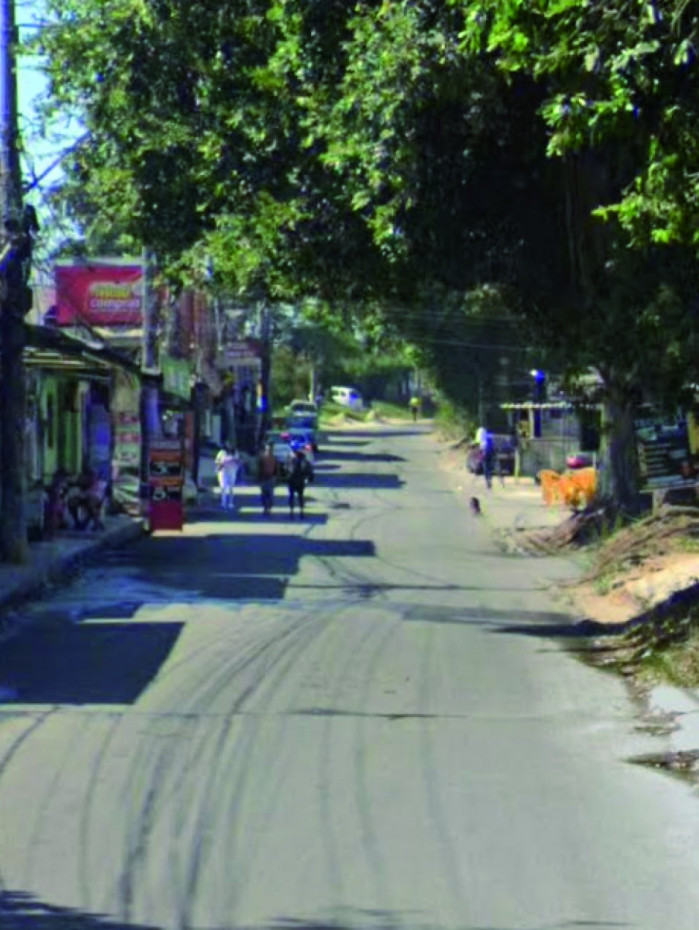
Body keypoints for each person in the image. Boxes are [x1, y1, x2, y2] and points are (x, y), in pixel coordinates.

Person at [287, 449, 314, 519]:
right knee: (300, 497)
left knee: (291, 496)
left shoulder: (292, 461)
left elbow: (286, 469)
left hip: (292, 481)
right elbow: (310, 472)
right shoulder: (305, 463)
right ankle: (301, 512)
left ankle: (291, 512)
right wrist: (310, 479)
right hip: (300, 481)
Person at [215, 442, 240, 510]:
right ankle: (223, 502)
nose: (229, 447)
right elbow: (217, 461)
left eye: (231, 445)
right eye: (228, 445)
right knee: (223, 487)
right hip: (223, 472)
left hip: (232, 471)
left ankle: (231, 503)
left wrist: (233, 460)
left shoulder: (235, 453)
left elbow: (238, 461)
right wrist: (221, 463)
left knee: (231, 488)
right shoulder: (222, 453)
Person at [258, 442, 278, 515]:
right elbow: (259, 468)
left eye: (270, 449)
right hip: (264, 477)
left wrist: (276, 478)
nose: (269, 450)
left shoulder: (274, 458)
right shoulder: (262, 458)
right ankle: (265, 508)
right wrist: (259, 478)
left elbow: (276, 469)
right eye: (268, 449)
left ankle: (269, 508)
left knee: (270, 494)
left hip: (271, 477)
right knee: (264, 494)